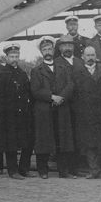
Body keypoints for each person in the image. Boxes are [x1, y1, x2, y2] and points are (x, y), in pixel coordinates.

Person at [29, 36, 76, 179]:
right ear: (41, 52)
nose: (47, 51)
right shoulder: (36, 70)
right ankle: (43, 170)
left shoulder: (64, 67)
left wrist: (61, 97)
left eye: (49, 48)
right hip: (44, 110)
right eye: (44, 49)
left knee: (62, 140)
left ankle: (64, 171)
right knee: (44, 140)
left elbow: (70, 84)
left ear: (53, 49)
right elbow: (35, 90)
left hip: (61, 108)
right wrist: (52, 97)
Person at [72, 45, 101, 180]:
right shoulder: (77, 73)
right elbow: (75, 95)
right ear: (83, 57)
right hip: (86, 113)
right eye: (88, 55)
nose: (90, 58)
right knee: (90, 144)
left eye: (92, 55)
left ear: (96, 56)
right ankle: (94, 170)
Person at [0, 43, 32, 178]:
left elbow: (27, 92)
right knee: (10, 142)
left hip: (22, 113)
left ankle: (23, 168)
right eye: (11, 56)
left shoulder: (22, 73)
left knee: (25, 141)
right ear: (6, 57)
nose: (14, 59)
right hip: (8, 114)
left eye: (16, 56)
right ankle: (12, 170)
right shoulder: (2, 73)